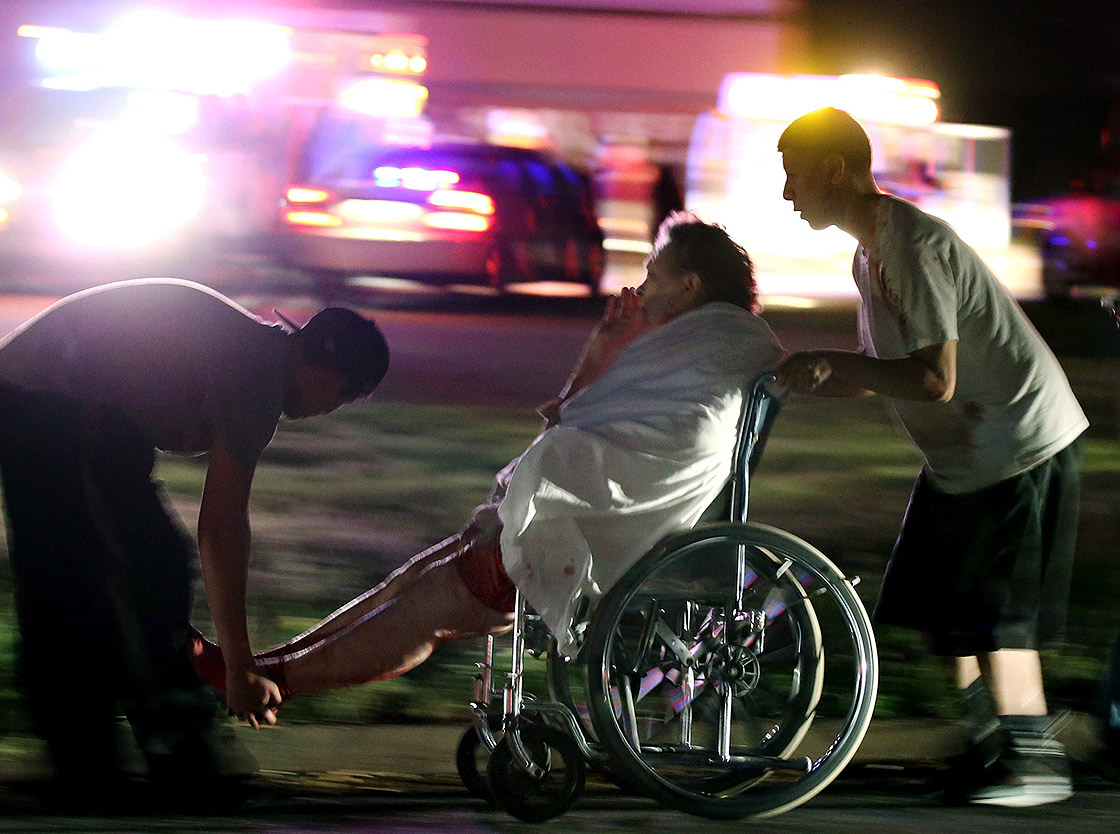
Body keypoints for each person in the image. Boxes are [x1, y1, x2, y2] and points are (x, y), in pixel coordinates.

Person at [189, 212, 784, 701]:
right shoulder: (694, 351)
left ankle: (275, 681)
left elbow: (587, 427)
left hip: (601, 528)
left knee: (435, 601)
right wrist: (607, 343)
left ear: (689, 287)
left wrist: (552, 468)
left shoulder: (702, 350)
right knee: (425, 572)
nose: (642, 286)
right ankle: (261, 664)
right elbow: (575, 416)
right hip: (590, 507)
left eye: (654, 274)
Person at [775, 108, 1088, 807]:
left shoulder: (910, 246)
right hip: (969, 452)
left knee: (995, 616)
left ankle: (1035, 763)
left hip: (1018, 443)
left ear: (834, 170)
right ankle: (988, 748)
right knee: (943, 607)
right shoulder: (869, 253)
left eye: (793, 175)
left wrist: (833, 362)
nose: (787, 193)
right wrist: (813, 380)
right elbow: (884, 372)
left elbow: (931, 379)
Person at [0, 278, 389, 803]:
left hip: (54, 398)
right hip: (50, 398)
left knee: (82, 575)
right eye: (345, 398)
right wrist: (240, 667)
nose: (330, 410)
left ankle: (87, 753)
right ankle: (169, 744)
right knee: (139, 568)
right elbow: (223, 528)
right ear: (330, 379)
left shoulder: (257, 352)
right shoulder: (260, 375)